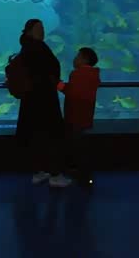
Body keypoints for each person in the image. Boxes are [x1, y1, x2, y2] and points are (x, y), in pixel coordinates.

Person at [15, 19, 71, 188]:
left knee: (35, 135)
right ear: (29, 31)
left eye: (42, 28)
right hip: (43, 99)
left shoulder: (26, 47)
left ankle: (39, 171)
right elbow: (47, 70)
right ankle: (55, 174)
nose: (42, 31)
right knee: (51, 135)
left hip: (31, 99)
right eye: (38, 28)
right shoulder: (37, 48)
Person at [57, 47, 100, 187]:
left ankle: (82, 175)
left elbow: (72, 91)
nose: (75, 59)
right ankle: (85, 175)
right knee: (81, 145)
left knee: (76, 146)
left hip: (75, 115)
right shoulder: (93, 74)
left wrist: (59, 84)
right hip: (86, 115)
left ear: (84, 59)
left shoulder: (77, 74)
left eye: (78, 56)